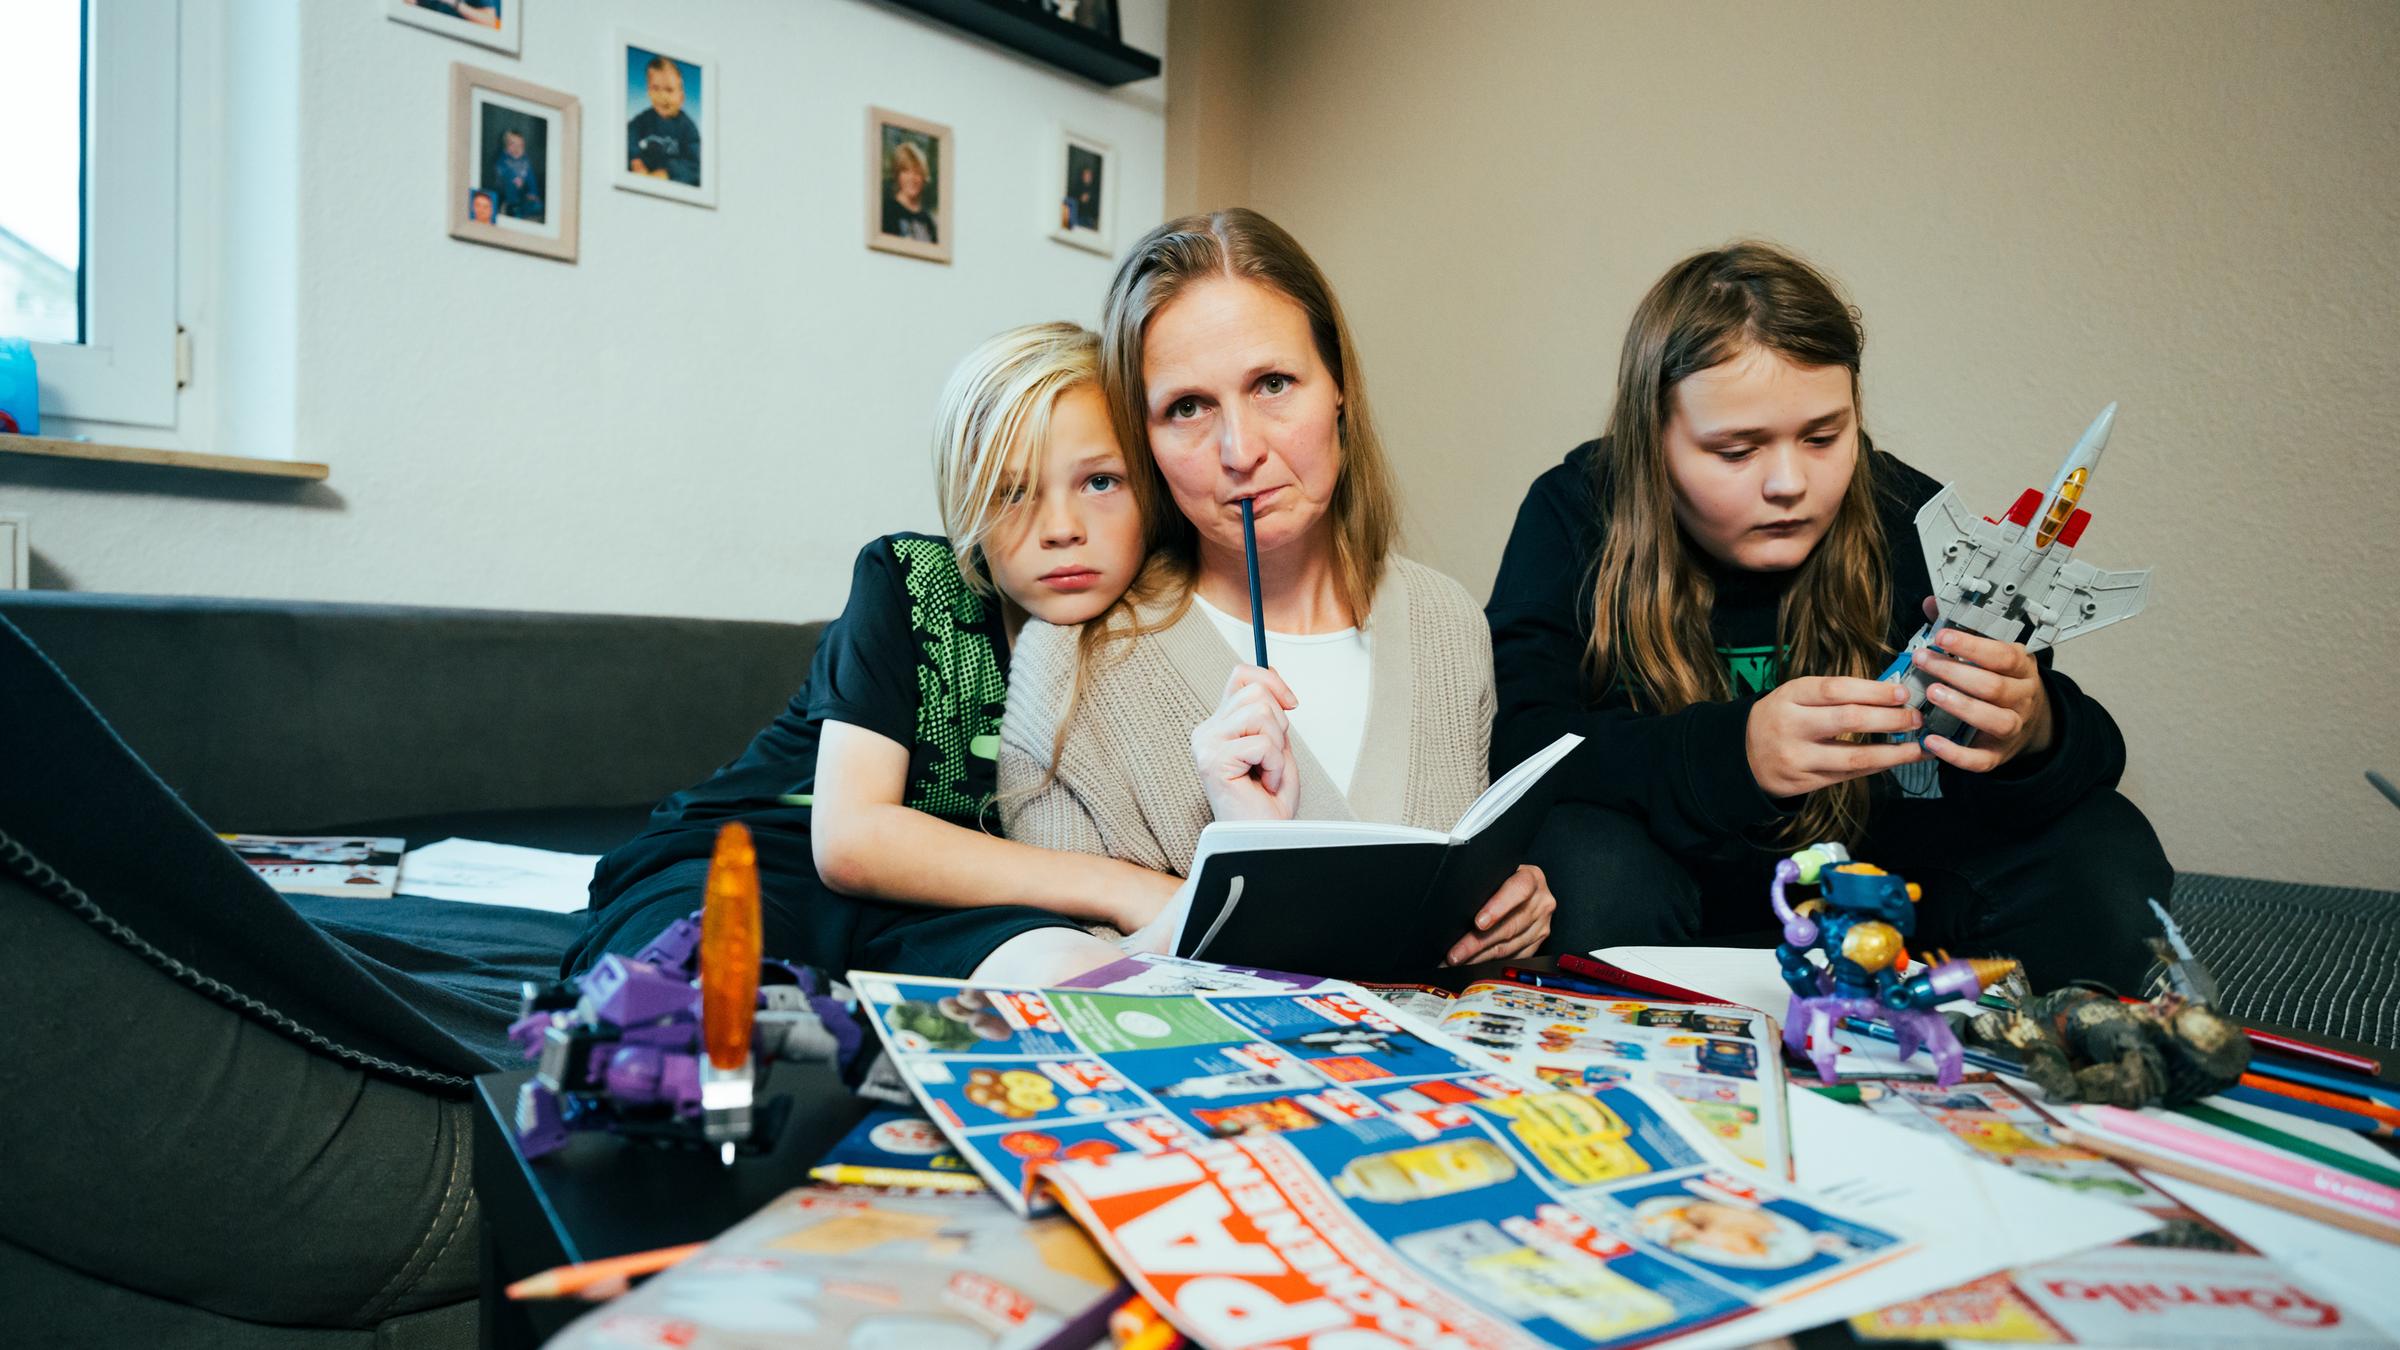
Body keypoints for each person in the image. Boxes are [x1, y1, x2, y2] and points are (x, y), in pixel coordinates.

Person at [1486, 241, 2170, 992]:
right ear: (1655, 440)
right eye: (1736, 450)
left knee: (2104, 844)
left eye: (1823, 437)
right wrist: (1732, 754)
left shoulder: (1905, 512)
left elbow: (2088, 760)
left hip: (1880, 901)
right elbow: (1522, 743)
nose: (1791, 483)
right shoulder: (1577, 508)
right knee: (1578, 856)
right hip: (1664, 900)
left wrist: (2035, 728)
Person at [999, 208, 1555, 968]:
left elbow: (1457, 900)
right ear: (1144, 440)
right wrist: (1239, 869)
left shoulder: (1446, 621)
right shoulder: (1070, 664)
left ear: (1340, 390)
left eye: (1272, 384)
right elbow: (1067, 993)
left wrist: (1509, 910)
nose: (1240, 451)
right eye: (1186, 408)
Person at [567, 323, 1172, 985]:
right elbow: (852, 841)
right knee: (695, 984)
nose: (1062, 529)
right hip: (762, 856)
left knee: (1090, 979)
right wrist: (1121, 886)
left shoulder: (1167, 626)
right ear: (967, 505)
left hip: (953, 902)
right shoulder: (911, 579)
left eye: (1102, 481)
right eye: (1012, 491)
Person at [628, 53, 701, 186]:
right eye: (656, 89)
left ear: (681, 97)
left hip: (671, 180)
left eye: (669, 90)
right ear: (648, 92)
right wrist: (636, 160)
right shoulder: (644, 119)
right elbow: (629, 136)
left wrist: (668, 174)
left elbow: (695, 164)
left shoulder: (687, 127)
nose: (662, 96)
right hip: (644, 174)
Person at [882, 139, 937, 244]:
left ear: (924, 177)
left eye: (917, 173)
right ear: (897, 175)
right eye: (906, 171)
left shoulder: (928, 221)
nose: (912, 178)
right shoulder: (886, 211)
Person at [492, 127, 542, 221]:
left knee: (535, 202)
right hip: (504, 189)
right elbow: (502, 171)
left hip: (521, 190)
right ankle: (512, 205)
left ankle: (524, 208)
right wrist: (513, 177)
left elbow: (531, 178)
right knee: (510, 185)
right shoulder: (503, 159)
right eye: (512, 144)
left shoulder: (525, 161)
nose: (517, 148)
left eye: (521, 145)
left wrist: (533, 192)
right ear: (505, 147)